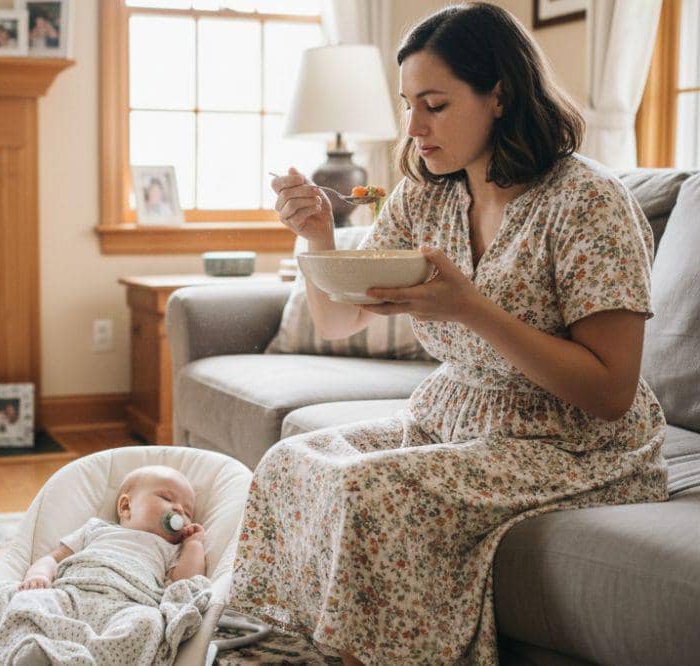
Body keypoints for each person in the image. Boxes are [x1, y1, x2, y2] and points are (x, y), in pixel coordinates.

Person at [231, 3, 668, 664]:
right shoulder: (423, 196)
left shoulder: (588, 202)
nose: (414, 127)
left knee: (365, 489)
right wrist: (317, 236)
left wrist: (473, 309)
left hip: (576, 444)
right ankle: (277, 648)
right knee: (292, 462)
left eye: (433, 104)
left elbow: (609, 392)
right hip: (450, 416)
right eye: (409, 104)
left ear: (500, 94)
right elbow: (339, 318)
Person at [0, 465, 210, 664]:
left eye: (187, 511)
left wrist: (194, 544)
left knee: (149, 624)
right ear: (126, 507)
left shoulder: (171, 548)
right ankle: (29, 652)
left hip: (128, 605)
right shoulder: (96, 529)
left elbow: (185, 583)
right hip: (71, 595)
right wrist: (40, 575)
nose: (179, 509)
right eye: (167, 498)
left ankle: (78, 660)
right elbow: (53, 558)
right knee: (25, 601)